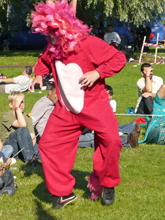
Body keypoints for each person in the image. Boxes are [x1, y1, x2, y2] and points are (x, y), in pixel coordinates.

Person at [29, 0, 126, 208]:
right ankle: (62, 193)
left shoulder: (89, 43)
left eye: (55, 32)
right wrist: (38, 75)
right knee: (47, 144)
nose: (51, 37)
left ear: (66, 27)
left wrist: (97, 72)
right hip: (66, 109)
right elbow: (44, 60)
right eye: (49, 33)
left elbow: (119, 58)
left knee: (112, 140)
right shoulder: (53, 46)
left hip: (95, 105)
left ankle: (107, 183)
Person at [1, 92, 41, 166]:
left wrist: (27, 147)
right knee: (23, 129)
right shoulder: (7, 115)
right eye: (18, 102)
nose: (21, 104)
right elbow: (22, 125)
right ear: (10, 104)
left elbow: (33, 138)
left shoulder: (26, 117)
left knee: (41, 149)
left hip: (23, 145)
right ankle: (30, 159)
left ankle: (51, 161)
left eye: (22, 102)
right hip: (10, 146)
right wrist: (17, 108)